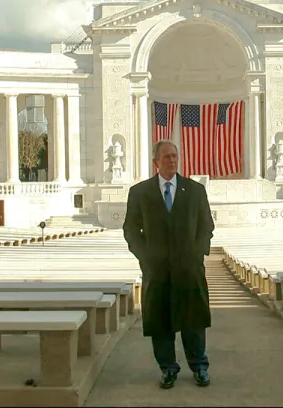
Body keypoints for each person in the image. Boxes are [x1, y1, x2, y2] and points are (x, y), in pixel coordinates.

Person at [123, 140, 215, 389]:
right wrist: (146, 257)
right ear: (156, 163)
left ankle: (199, 366)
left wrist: (197, 253)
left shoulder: (195, 191)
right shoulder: (140, 192)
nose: (171, 161)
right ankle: (167, 368)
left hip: (189, 268)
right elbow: (131, 229)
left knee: (193, 320)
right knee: (160, 321)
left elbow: (206, 226)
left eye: (174, 156)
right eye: (166, 157)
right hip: (157, 270)